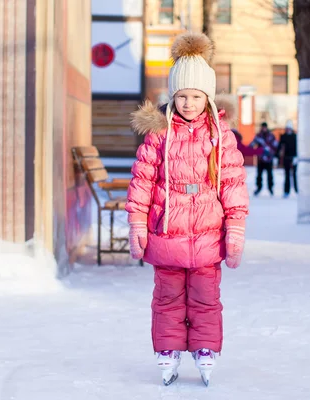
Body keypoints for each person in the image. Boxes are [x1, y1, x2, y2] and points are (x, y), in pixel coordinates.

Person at [126, 32, 249, 386]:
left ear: (207, 97)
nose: (189, 103)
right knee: (167, 298)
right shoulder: (160, 135)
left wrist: (236, 227)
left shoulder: (220, 135)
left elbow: (233, 183)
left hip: (208, 235)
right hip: (167, 234)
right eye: (182, 96)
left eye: (196, 96)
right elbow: (143, 180)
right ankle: (168, 351)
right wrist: (137, 224)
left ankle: (205, 349)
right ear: (172, 96)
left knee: (206, 298)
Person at [250, 122, 278, 196]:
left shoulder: (271, 136)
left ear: (266, 128)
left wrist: (273, 153)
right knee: (259, 175)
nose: (263, 129)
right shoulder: (259, 136)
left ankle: (270, 188)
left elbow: (276, 145)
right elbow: (252, 144)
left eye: (264, 127)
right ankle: (258, 188)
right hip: (260, 159)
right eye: (262, 127)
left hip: (269, 159)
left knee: (270, 175)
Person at [276, 120, 298, 198]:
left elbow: (298, 148)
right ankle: (286, 191)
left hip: (294, 158)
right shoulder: (283, 136)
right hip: (286, 158)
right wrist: (277, 157)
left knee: (295, 175)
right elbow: (279, 147)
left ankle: (297, 190)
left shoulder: (295, 136)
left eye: (289, 128)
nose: (288, 129)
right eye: (287, 128)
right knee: (287, 175)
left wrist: (296, 157)